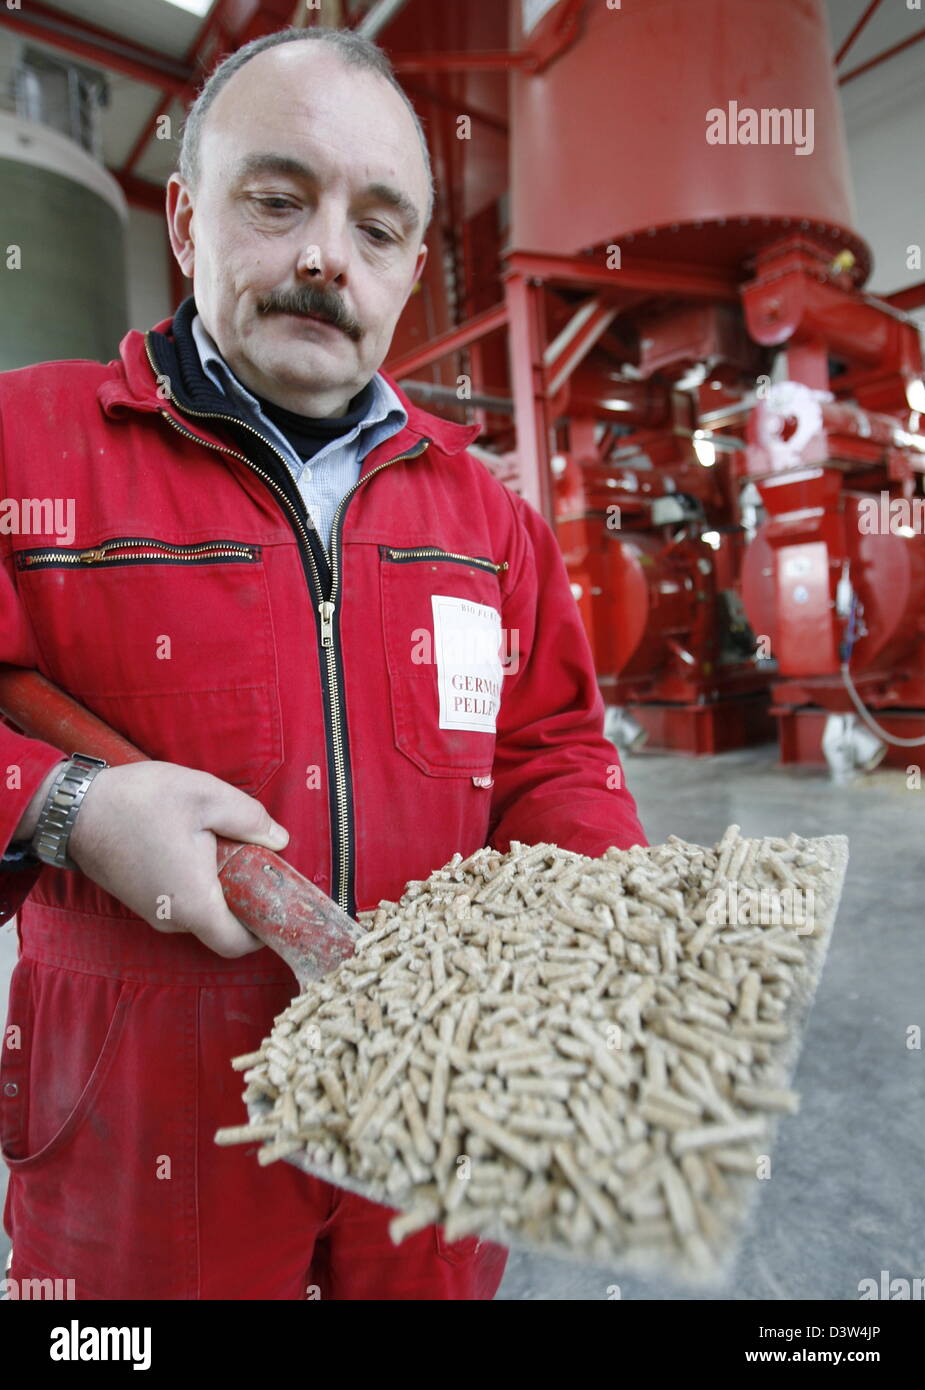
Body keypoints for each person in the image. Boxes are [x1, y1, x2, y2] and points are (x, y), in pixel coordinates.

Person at [0, 26, 647, 1300]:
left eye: (377, 226)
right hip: (141, 1155)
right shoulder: (27, 448)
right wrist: (63, 805)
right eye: (279, 200)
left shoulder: (487, 516)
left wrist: (573, 922)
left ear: (409, 267)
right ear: (185, 222)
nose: (322, 256)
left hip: (429, 1131)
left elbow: (554, 746)